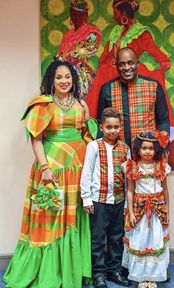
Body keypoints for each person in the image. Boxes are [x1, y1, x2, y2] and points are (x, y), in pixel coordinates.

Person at [3, 60, 97, 288]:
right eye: (59, 77)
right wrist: (44, 168)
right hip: (52, 168)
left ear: (74, 80)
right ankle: (49, 273)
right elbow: (36, 140)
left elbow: (86, 134)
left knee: (74, 216)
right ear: (51, 81)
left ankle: (72, 272)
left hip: (77, 167)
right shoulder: (42, 105)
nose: (64, 81)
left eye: (68, 77)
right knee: (51, 217)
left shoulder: (80, 104)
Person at [86, 0, 174, 142]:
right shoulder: (116, 31)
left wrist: (163, 60)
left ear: (123, 13)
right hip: (112, 74)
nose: (114, 17)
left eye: (115, 13)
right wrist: (103, 63)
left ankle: (146, 144)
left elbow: (153, 50)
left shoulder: (140, 32)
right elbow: (106, 53)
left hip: (133, 75)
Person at [80, 108, 131, 288]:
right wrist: (86, 198)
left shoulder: (125, 149)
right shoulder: (94, 146)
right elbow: (86, 173)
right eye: (108, 127)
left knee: (117, 237)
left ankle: (114, 270)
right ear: (101, 127)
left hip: (118, 201)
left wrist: (127, 203)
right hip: (99, 200)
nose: (112, 130)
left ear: (120, 127)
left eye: (116, 127)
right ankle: (99, 273)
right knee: (98, 238)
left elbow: (128, 179)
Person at [122, 131, 170, 288]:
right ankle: (141, 276)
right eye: (144, 148)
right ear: (138, 149)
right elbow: (130, 190)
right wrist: (130, 211)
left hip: (157, 209)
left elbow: (165, 190)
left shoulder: (161, 166)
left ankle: (154, 276)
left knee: (155, 240)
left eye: (151, 148)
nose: (147, 151)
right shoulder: (132, 166)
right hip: (139, 208)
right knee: (139, 240)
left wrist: (167, 210)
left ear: (156, 149)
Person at [97, 47, 170, 151]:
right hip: (117, 154)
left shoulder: (154, 87)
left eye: (130, 63)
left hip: (146, 156)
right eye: (122, 64)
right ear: (116, 66)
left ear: (138, 63)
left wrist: (162, 148)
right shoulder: (107, 89)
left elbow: (163, 120)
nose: (126, 67)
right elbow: (101, 123)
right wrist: (101, 152)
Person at [57, 0, 102, 99]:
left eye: (80, 15)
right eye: (74, 14)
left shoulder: (92, 31)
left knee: (80, 101)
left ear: (85, 16)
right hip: (64, 70)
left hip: (81, 71)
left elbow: (90, 49)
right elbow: (60, 53)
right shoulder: (68, 34)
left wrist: (69, 56)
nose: (76, 18)